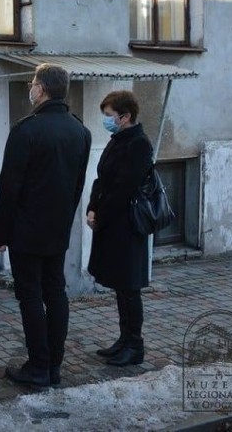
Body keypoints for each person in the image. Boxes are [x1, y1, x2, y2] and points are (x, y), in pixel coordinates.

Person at [0, 63, 91, 388]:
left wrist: (1, 233)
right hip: (57, 228)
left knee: (31, 296)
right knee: (55, 292)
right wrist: (63, 218)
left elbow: (10, 188)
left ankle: (39, 367)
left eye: (33, 83)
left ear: (43, 89)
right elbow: (77, 186)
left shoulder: (27, 130)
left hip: (25, 230)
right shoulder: (80, 131)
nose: (30, 88)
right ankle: (54, 367)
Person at [86, 90, 153, 367]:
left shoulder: (138, 144)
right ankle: (123, 339)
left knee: (129, 287)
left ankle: (134, 345)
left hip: (126, 226)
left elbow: (124, 188)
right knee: (120, 287)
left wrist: (100, 216)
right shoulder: (118, 140)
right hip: (111, 224)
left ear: (125, 117)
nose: (106, 120)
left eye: (109, 116)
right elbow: (102, 181)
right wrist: (92, 207)